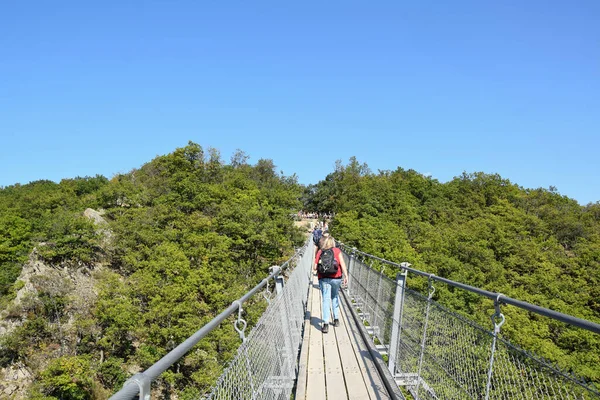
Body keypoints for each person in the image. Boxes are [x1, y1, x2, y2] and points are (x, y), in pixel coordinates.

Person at [313, 236, 348, 333]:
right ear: (333, 243)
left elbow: (315, 267)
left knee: (326, 299)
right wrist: (346, 276)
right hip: (336, 278)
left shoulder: (320, 252)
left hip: (324, 278)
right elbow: (342, 264)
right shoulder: (337, 250)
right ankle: (336, 319)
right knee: (335, 296)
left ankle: (325, 324)